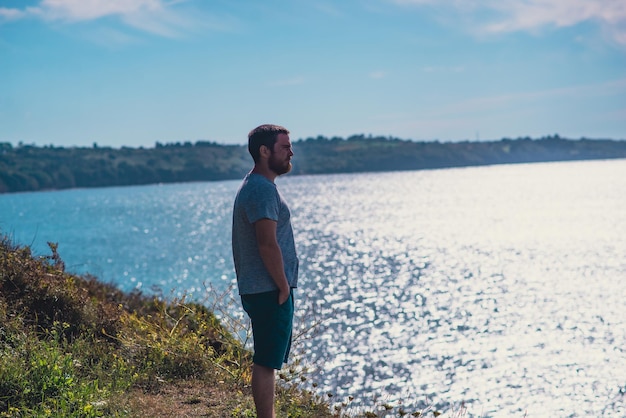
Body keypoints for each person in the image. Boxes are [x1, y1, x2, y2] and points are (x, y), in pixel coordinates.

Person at [231, 124, 299, 418]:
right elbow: (266, 244)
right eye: (284, 147)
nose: (290, 152)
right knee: (266, 361)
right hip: (269, 289)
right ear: (264, 151)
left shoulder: (258, 186)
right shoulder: (260, 189)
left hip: (264, 287)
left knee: (267, 360)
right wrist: (283, 286)